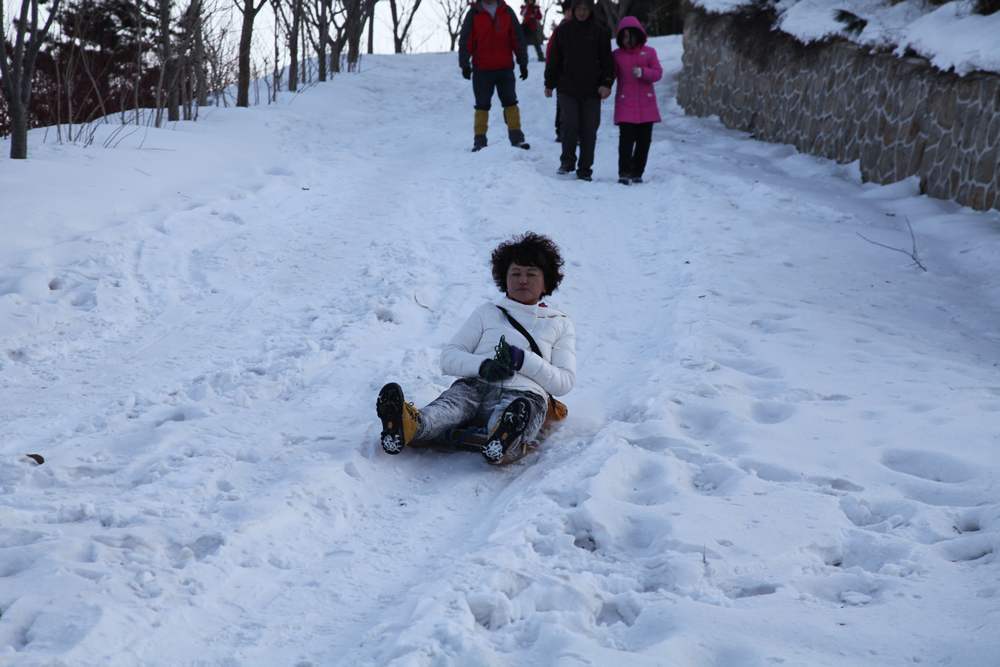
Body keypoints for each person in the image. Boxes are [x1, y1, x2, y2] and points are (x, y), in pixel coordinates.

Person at [376, 233, 576, 466]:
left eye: (531, 274)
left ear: (546, 281)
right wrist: (483, 366)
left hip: (525, 394)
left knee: (517, 412)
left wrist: (524, 361)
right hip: (475, 386)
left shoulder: (559, 322)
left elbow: (564, 382)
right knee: (451, 406)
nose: (522, 280)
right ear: (504, 277)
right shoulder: (488, 312)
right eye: (515, 273)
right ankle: (409, 425)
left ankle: (503, 436)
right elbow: (449, 357)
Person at [543, 0, 613, 181]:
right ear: (573, 10)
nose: (582, 13)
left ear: (591, 11)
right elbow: (554, 59)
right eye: (579, 9)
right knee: (570, 125)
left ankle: (585, 169)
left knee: (589, 130)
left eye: (585, 9)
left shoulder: (600, 32)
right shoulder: (563, 31)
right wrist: (549, 83)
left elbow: (607, 62)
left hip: (592, 90)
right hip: (567, 88)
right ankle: (567, 161)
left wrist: (606, 83)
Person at [459, 0, 531, 152]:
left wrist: (522, 61)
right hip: (482, 70)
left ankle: (517, 139)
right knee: (482, 106)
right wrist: (464, 63)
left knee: (511, 103)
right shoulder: (474, 13)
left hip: (505, 68)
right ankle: (479, 141)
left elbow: (517, 37)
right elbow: (466, 40)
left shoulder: (507, 11)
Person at [612, 16, 662, 185]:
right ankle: (624, 172)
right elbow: (609, 74)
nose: (627, 40)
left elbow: (657, 73)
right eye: (623, 37)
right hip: (625, 105)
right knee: (625, 141)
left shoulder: (649, 52)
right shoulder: (616, 55)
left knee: (643, 143)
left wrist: (643, 72)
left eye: (629, 36)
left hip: (647, 107)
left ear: (638, 35)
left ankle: (637, 172)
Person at [547, 0, 573, 142]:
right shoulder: (560, 30)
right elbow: (551, 51)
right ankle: (561, 130)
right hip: (562, 75)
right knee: (562, 105)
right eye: (568, 11)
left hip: (579, 75)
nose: (571, 13)